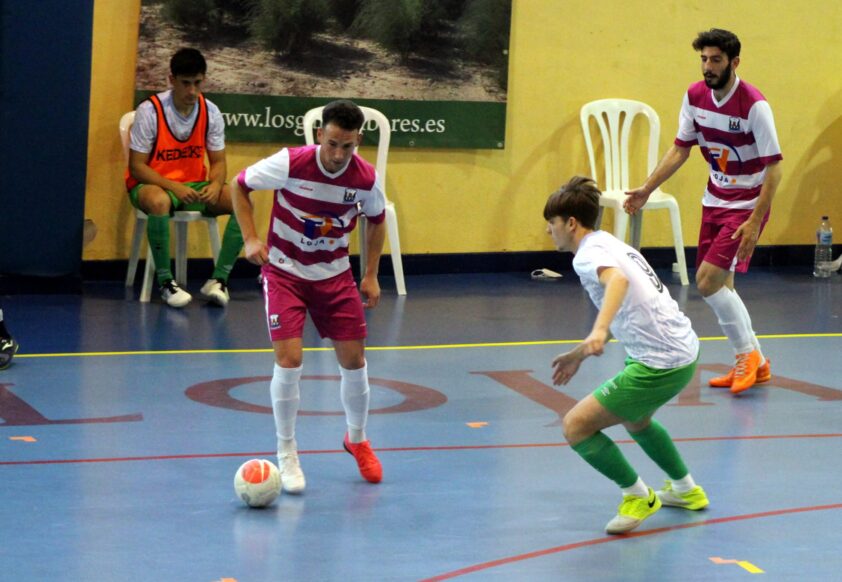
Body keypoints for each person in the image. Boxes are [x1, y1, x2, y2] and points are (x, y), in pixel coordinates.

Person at [231, 99, 386, 493]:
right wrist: (250, 238)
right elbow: (239, 185)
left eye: (347, 146)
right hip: (284, 273)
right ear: (320, 135)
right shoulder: (289, 163)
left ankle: (358, 438)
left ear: (358, 142)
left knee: (355, 361)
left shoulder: (365, 179)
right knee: (290, 360)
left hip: (334, 278)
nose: (338, 154)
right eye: (332, 143)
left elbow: (376, 220)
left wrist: (369, 274)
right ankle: (287, 451)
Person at [545, 176, 708, 534]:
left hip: (660, 363)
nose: (549, 231)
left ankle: (638, 496)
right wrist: (584, 352)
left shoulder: (587, 255)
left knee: (576, 426)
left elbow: (617, 281)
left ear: (570, 222)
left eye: (552, 224)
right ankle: (685, 490)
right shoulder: (605, 241)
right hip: (681, 348)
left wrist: (597, 333)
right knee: (637, 420)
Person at [625, 29, 782, 394]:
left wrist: (756, 220)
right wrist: (647, 188)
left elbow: (775, 167)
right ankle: (756, 361)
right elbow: (681, 148)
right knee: (723, 284)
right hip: (714, 200)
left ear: (734, 63)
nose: (707, 67)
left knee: (707, 281)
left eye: (715, 60)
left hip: (745, 207)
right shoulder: (695, 97)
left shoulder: (754, 105)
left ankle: (746, 356)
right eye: (704, 59)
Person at [126, 48, 243, 308]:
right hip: (154, 185)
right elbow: (136, 167)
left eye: (198, 83)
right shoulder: (151, 110)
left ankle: (219, 280)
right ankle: (166, 283)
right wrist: (173, 187)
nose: (192, 91)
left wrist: (214, 184)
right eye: (185, 83)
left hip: (194, 186)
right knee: (158, 202)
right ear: (171, 80)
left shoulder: (210, 111)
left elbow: (219, 161)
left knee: (240, 200)